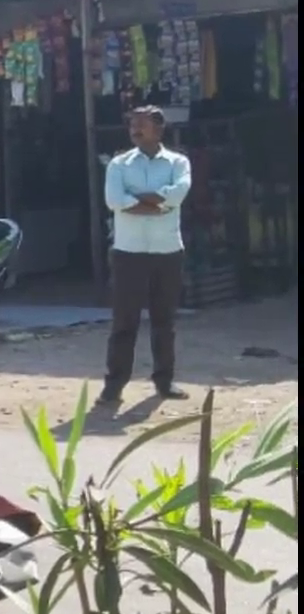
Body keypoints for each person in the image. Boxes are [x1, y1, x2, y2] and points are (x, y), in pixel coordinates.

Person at [99, 106, 192, 408]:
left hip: (168, 251)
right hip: (129, 252)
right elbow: (114, 200)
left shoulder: (178, 163)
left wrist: (135, 200)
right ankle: (113, 386)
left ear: (159, 129)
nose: (135, 130)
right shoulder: (119, 164)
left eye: (142, 125)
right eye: (132, 125)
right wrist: (156, 203)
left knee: (164, 321)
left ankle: (164, 382)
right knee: (124, 322)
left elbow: (177, 195)